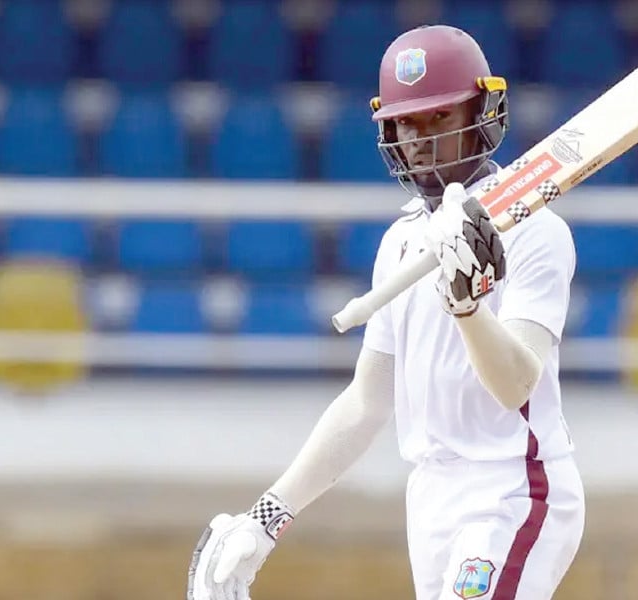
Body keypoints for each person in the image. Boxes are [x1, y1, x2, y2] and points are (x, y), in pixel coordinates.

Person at [187, 24, 584, 600]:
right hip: (429, 496)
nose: (420, 139)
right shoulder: (401, 242)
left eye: (439, 118)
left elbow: (519, 383)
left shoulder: (536, 233)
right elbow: (368, 401)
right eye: (406, 123)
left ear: (484, 112)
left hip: (515, 487)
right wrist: (267, 518)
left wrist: (467, 307)